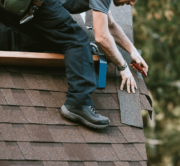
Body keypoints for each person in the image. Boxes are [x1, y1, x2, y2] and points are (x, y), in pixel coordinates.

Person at [0, 0, 148, 129]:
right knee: (77, 41)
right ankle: (79, 102)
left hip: (19, 7)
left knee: (47, 38)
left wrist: (132, 51)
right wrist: (123, 67)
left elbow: (110, 24)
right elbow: (102, 37)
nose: (132, 3)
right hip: (38, 3)